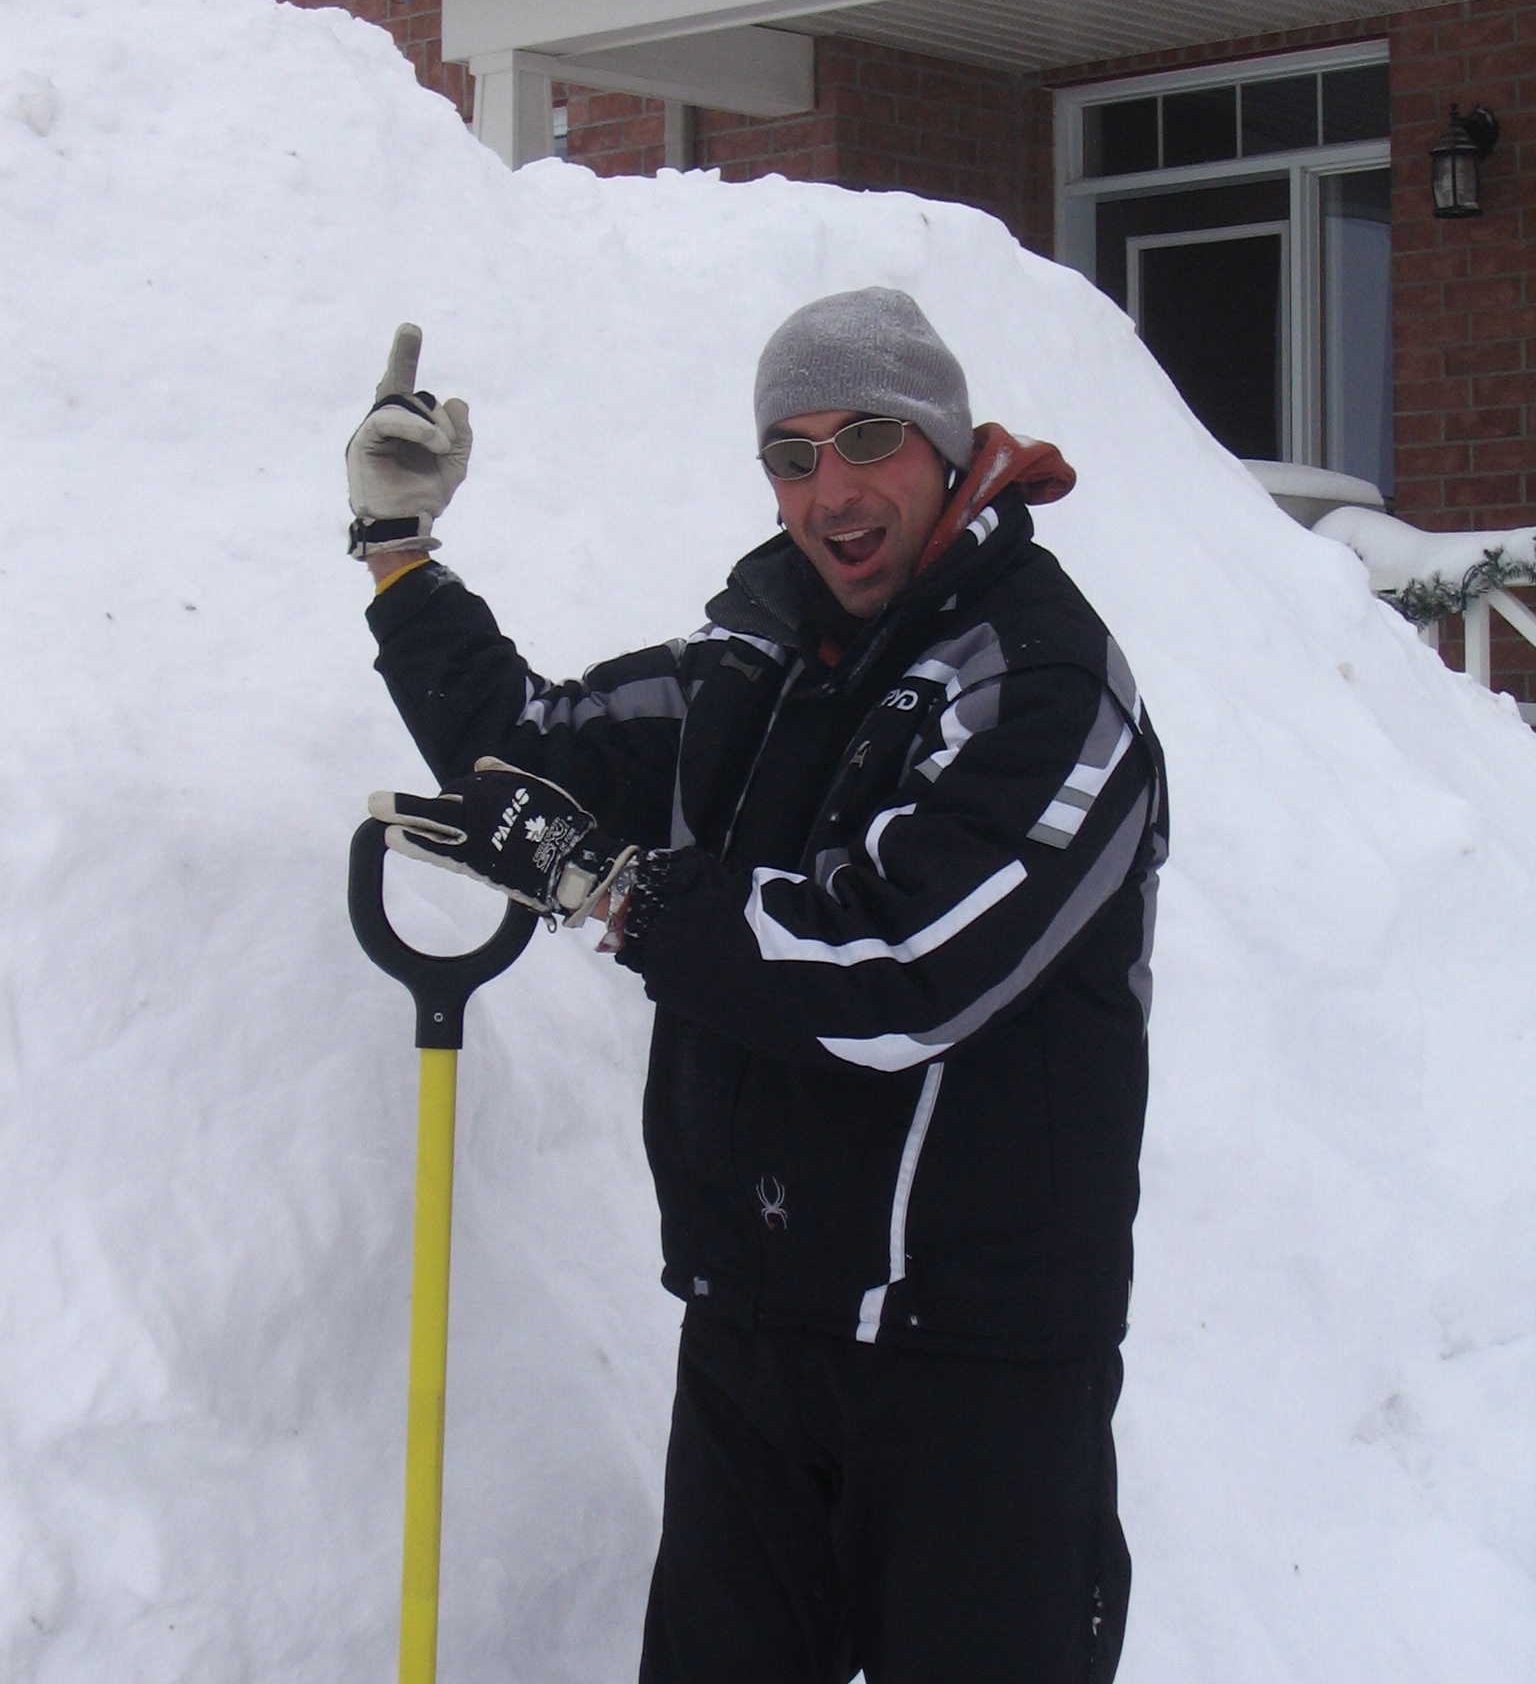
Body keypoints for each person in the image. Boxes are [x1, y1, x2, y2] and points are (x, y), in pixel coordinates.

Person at [349, 288, 1168, 1684]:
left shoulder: (1044, 686)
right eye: (791, 455)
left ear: (947, 448)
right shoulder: (752, 671)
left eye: (867, 440)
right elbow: (530, 747)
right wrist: (398, 553)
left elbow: (897, 972)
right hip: (758, 1330)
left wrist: (610, 889)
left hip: (976, 1370)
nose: (830, 489)